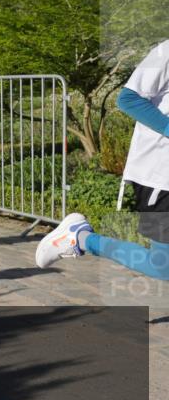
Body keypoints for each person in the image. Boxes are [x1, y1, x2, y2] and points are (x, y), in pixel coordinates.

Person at [36, 40, 168, 280]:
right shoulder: (165, 52)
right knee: (163, 266)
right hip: (161, 176)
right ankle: (80, 238)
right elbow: (128, 99)